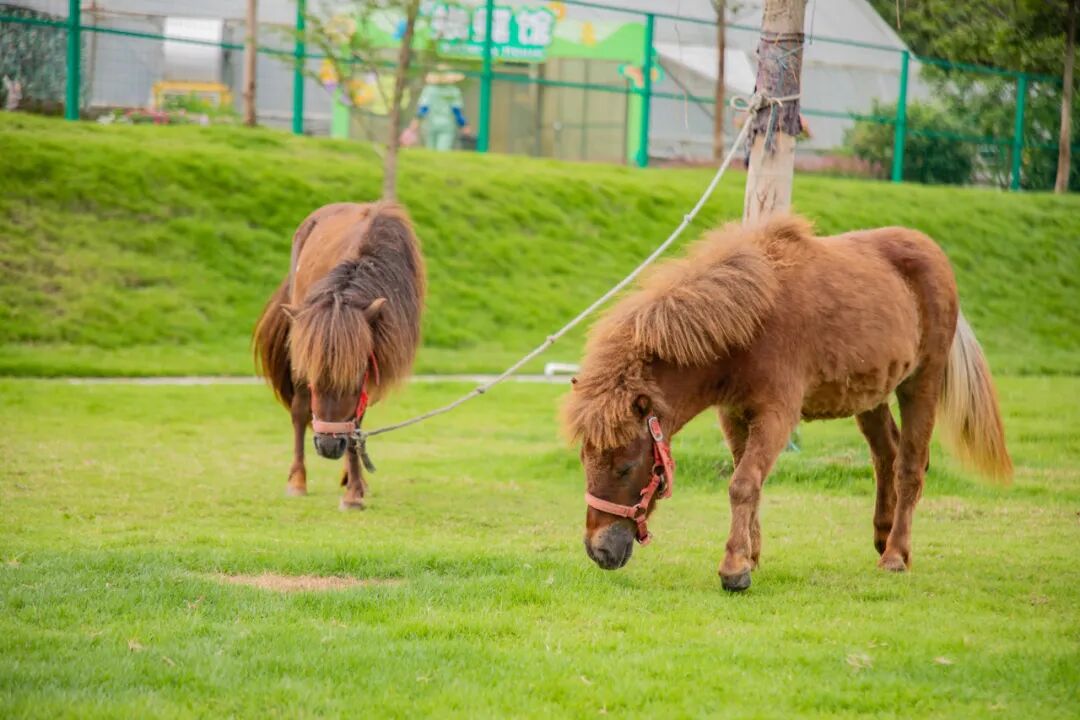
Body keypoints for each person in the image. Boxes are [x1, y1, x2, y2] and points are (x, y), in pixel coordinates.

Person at [407, 64, 470, 151]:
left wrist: (415, 123)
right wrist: (464, 125)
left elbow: (423, 109)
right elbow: (457, 111)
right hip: (447, 125)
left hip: (429, 124)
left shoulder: (428, 90)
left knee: (430, 150)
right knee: (443, 151)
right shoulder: (454, 91)